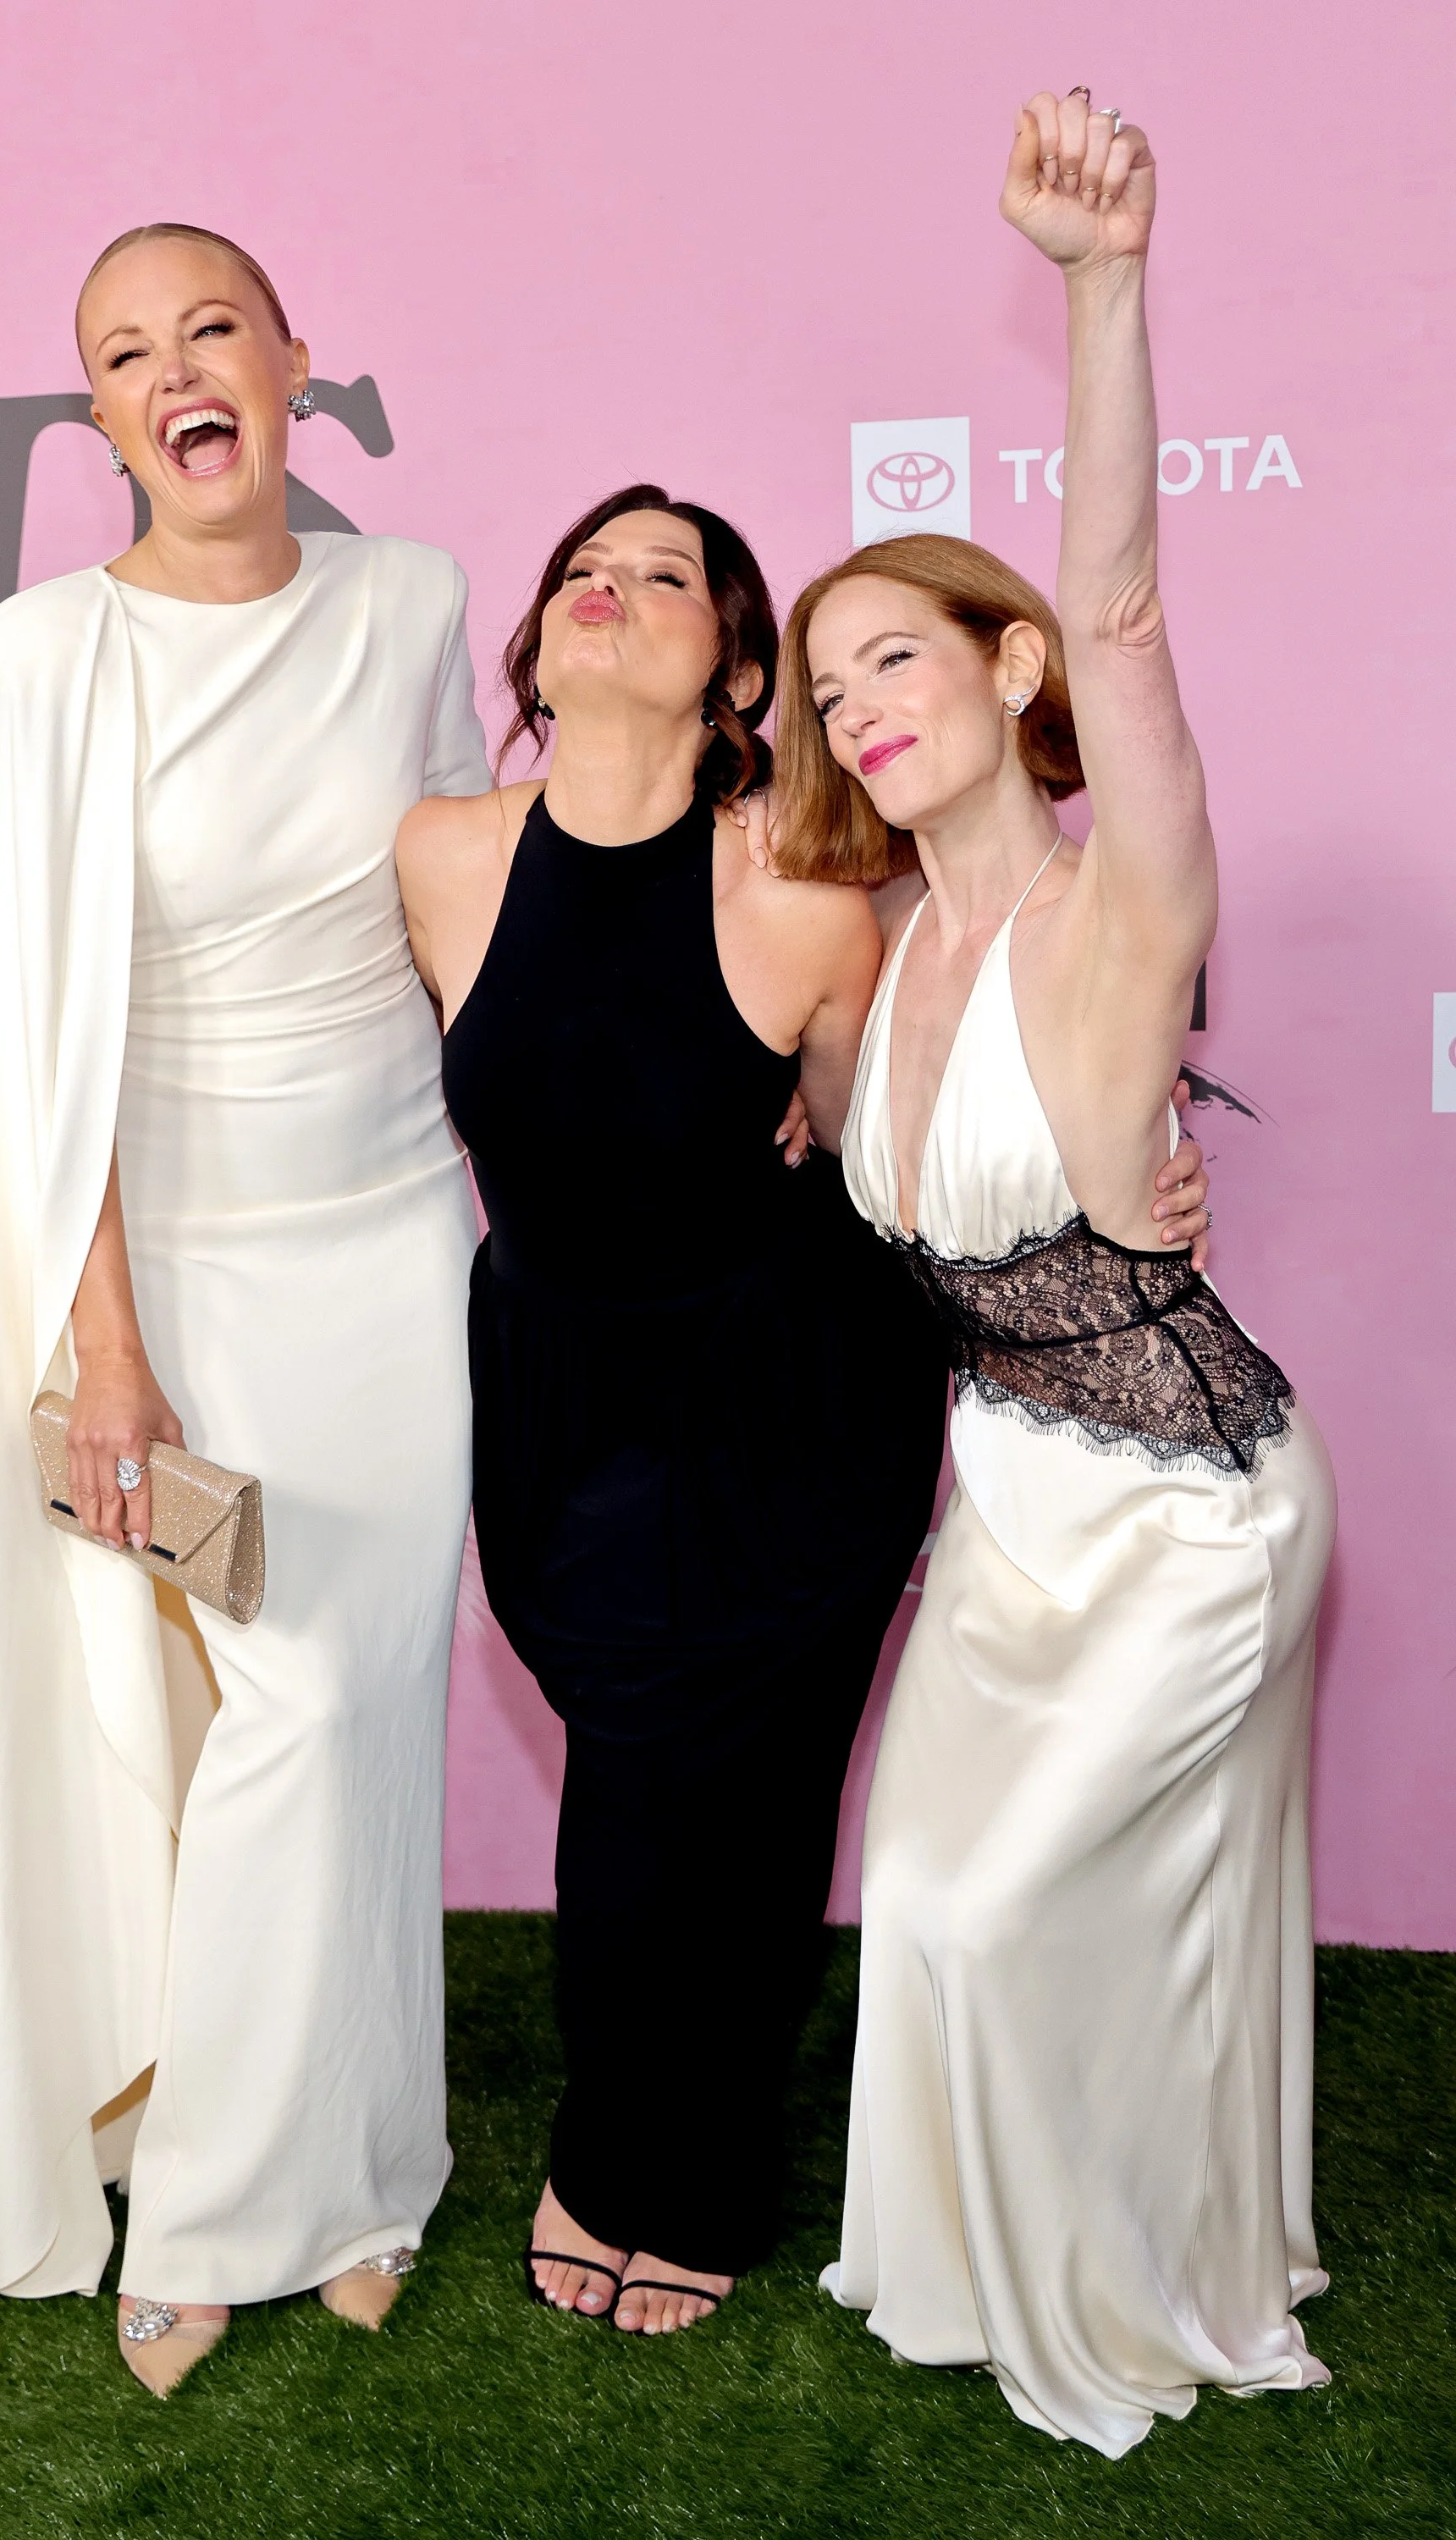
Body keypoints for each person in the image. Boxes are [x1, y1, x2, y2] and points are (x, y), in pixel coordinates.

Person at [395, 486, 1211, 2336]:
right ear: (533, 647)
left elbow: (902, 1133)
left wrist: (1135, 1178)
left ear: (737, 671)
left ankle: (665, 2181)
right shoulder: (439, 854)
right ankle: (622, 2132)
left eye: (661, 576)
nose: (607, 591)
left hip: (786, 1402)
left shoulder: (812, 892)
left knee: (743, 1817)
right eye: (577, 572)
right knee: (628, 1791)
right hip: (558, 1399)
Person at [0, 224, 490, 2394]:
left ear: (299, 360)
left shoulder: (411, 602)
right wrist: (100, 1329)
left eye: (212, 326)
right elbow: (53, 1032)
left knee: (362, 1713)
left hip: (398, 1243)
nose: (177, 372)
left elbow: (456, 914)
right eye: (125, 355)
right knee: (276, 1711)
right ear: (101, 419)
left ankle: (369, 2165)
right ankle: (217, 2203)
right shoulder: (41, 654)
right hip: (176, 1260)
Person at [775, 96, 1335, 2454]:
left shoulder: (1125, 914)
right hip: (1003, 1507)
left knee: (1012, 1916)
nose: (858, 707)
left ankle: (1145, 2270)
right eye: (826, 687)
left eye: (899, 653)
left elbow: (1123, 601)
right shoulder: (870, 956)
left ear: (1009, 672)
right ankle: (991, 2244)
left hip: (1194, 1519)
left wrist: (1099, 287)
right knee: (928, 1904)